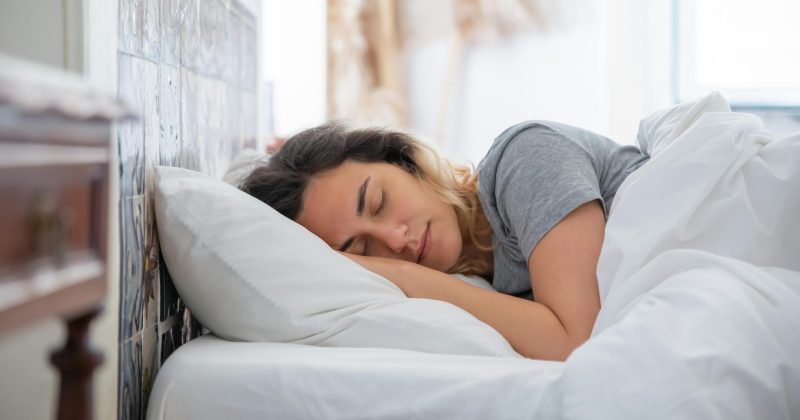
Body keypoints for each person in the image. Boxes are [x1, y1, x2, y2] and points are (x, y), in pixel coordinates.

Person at [241, 121, 649, 361]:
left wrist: (403, 274)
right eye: (363, 250)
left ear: (406, 162)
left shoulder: (525, 157)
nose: (395, 240)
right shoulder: (486, 279)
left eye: (379, 202)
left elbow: (575, 342)